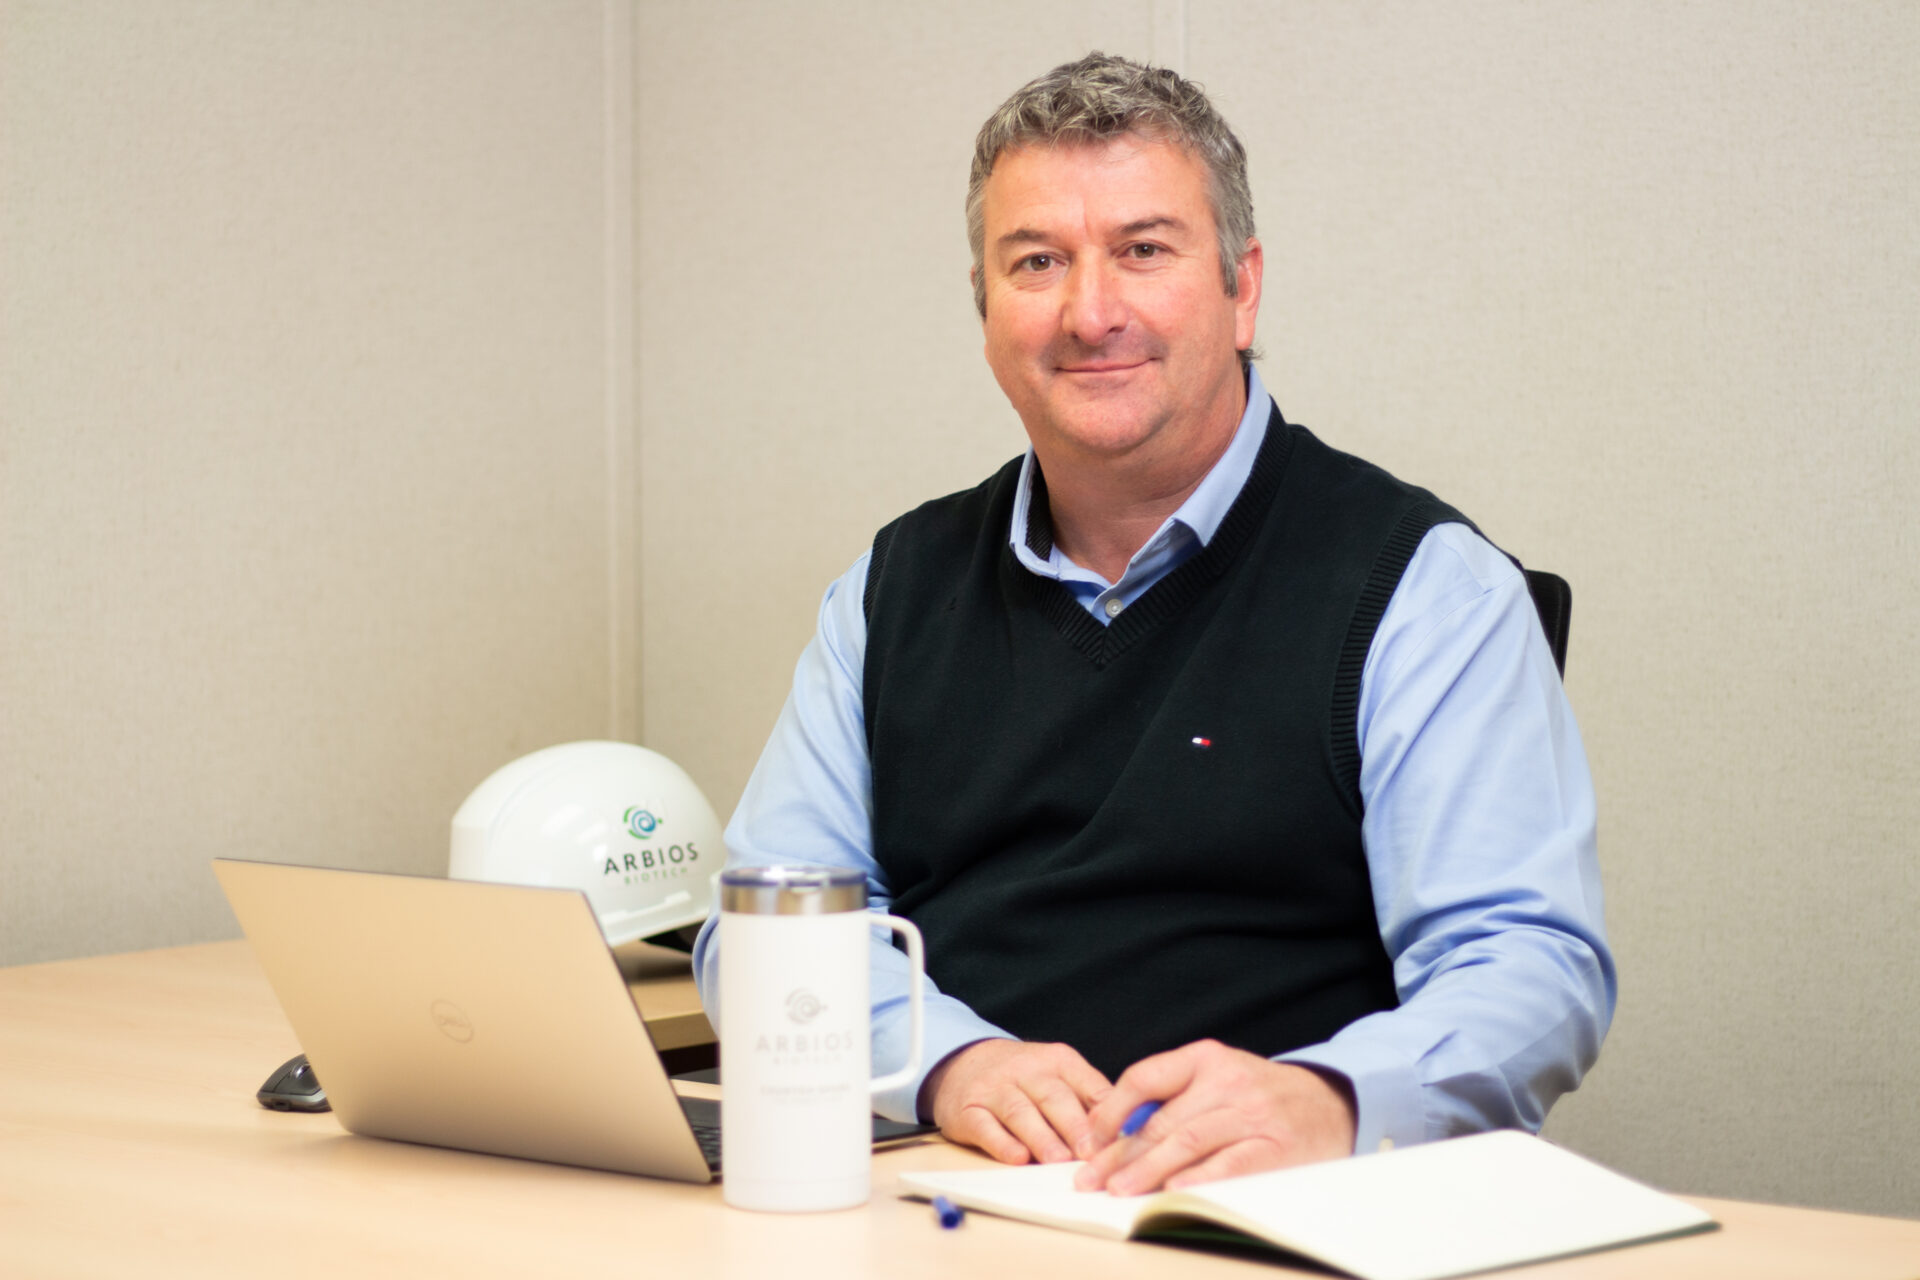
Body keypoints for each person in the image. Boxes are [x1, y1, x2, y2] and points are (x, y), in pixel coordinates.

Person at [693, 52, 1613, 1196]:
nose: (1091, 311)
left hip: (1271, 1211)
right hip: (952, 1194)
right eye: (1037, 262)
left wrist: (1328, 1097)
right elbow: (764, 928)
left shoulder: (1427, 589)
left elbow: (1529, 966)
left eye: (1143, 249)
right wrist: (950, 1062)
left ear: (1242, 287)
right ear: (984, 310)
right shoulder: (891, 588)